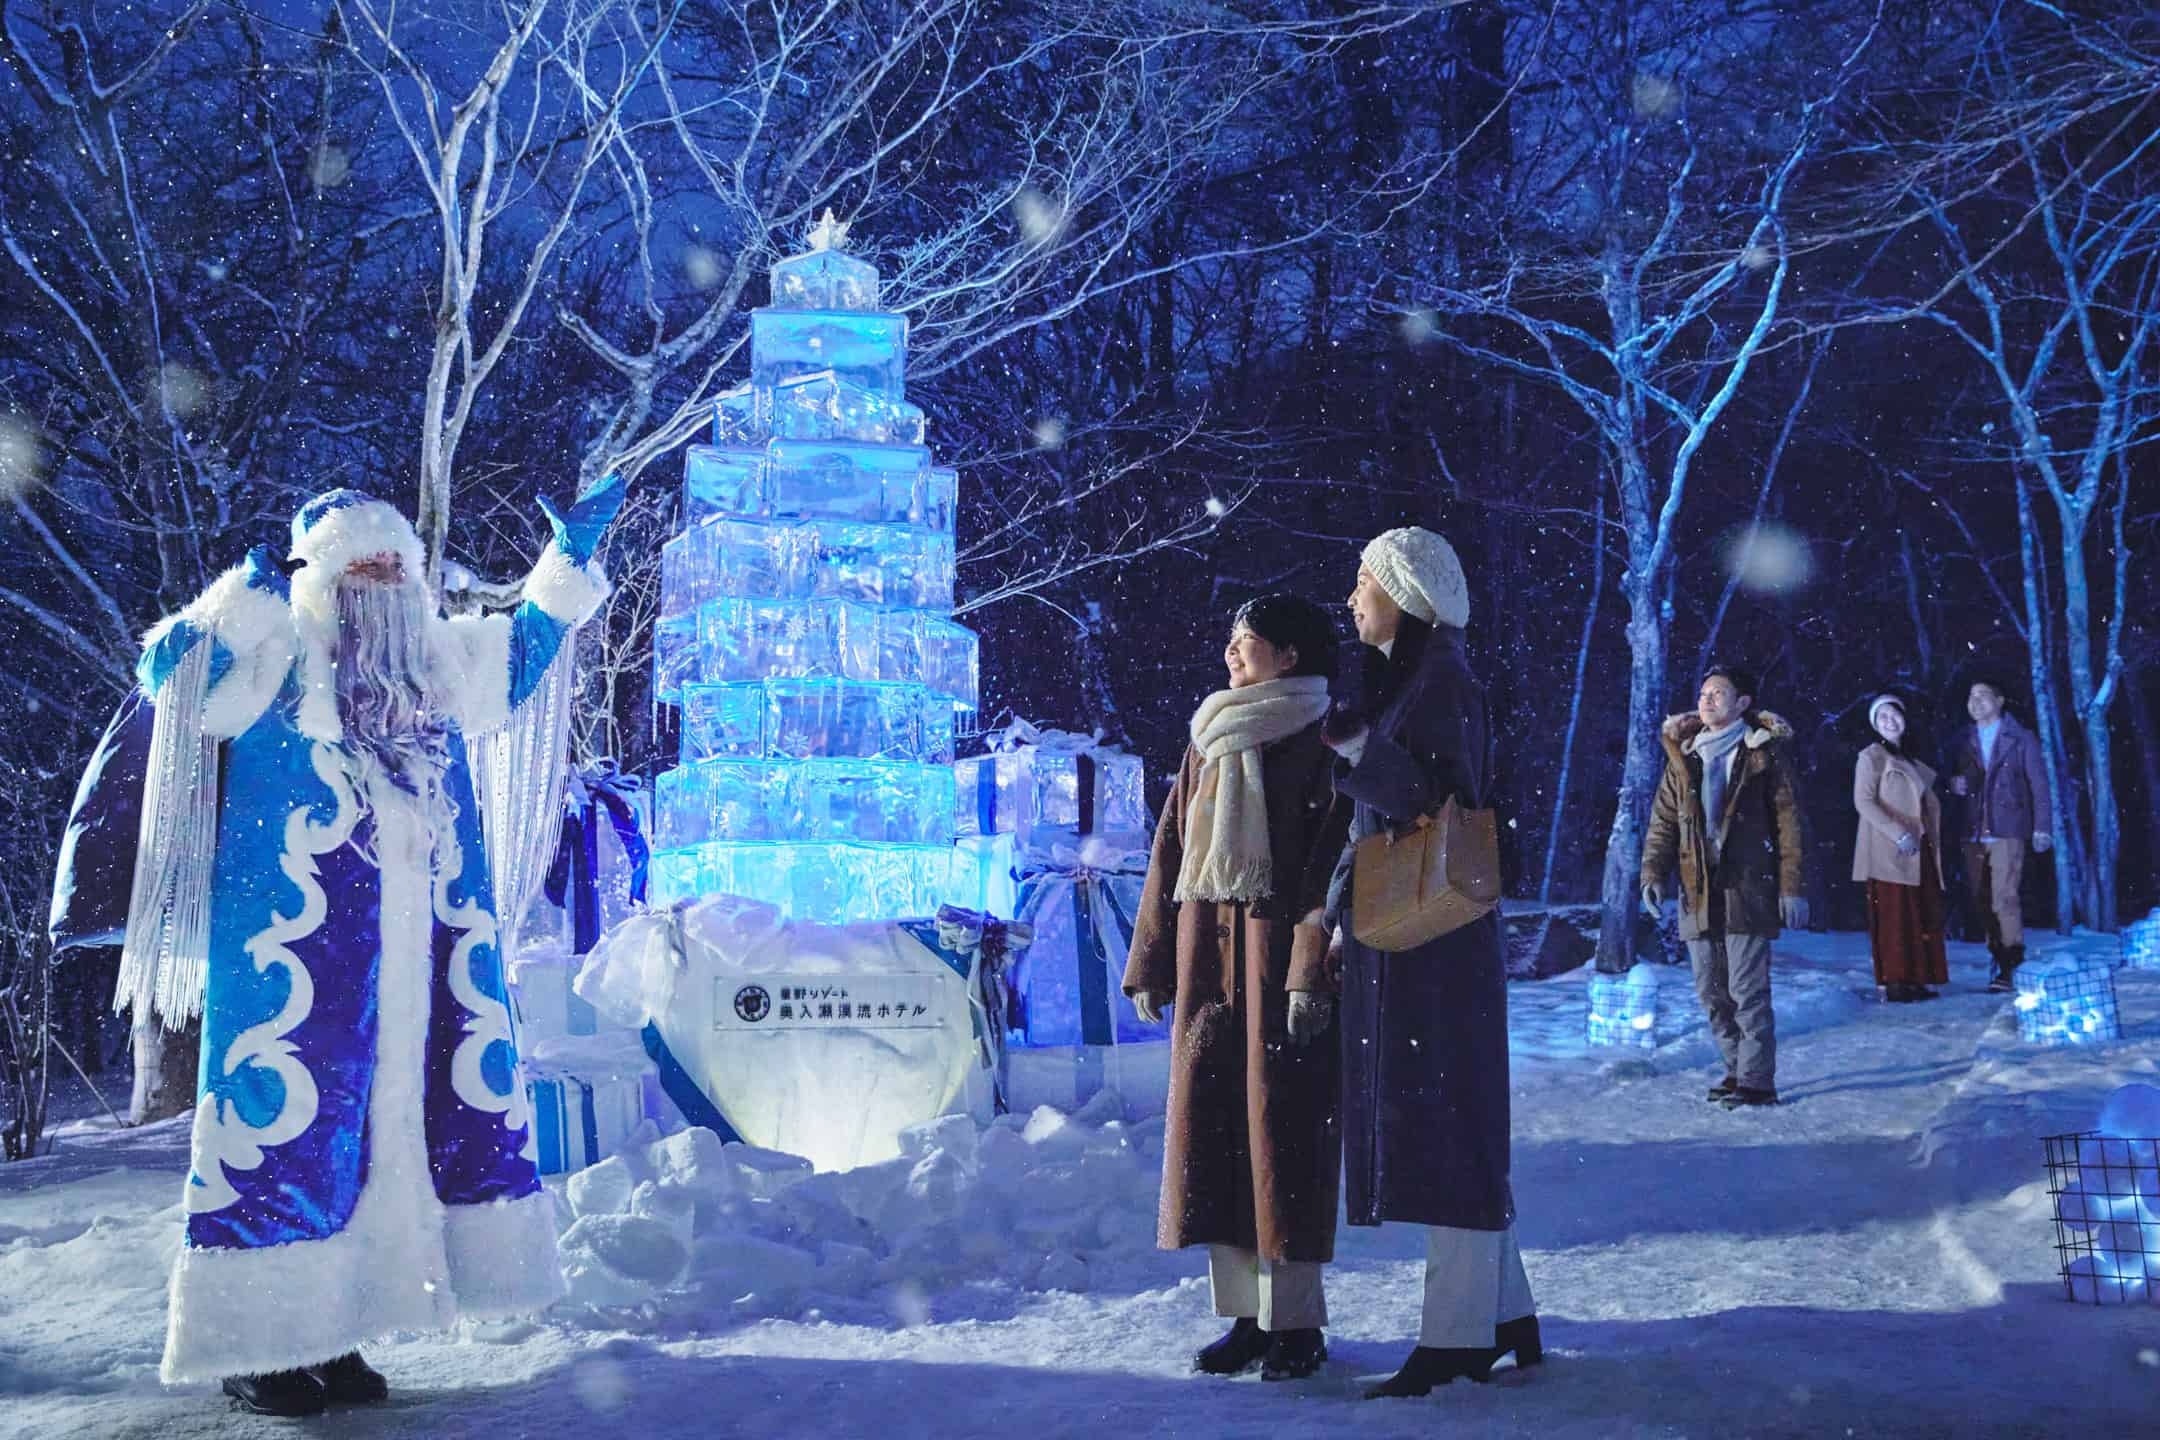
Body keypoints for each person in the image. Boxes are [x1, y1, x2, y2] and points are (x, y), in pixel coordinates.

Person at [59, 482, 620, 1415]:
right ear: (318, 578)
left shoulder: (434, 663)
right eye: (360, 567)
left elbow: (520, 654)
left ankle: (342, 1326)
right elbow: (170, 676)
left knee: (392, 1138)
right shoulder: (273, 656)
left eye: (395, 566)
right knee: (287, 1137)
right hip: (293, 956)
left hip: (423, 953)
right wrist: (237, 604)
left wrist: (565, 565)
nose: (381, 583)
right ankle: (260, 1345)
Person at [1317, 527, 1541, 1400]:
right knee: (1456, 1125)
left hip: (1437, 943)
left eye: (1364, 582)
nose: (1351, 600)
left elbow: (1444, 803)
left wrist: (1358, 754)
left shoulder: (1442, 679)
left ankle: (1456, 1340)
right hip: (1427, 941)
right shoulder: (1418, 678)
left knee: (1451, 1128)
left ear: (1406, 593)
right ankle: (1505, 1313)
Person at [1124, 594, 1349, 1384]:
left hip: (1275, 962)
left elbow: (1332, 867)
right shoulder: (1211, 737)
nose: (1230, 652)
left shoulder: (1326, 739)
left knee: (1283, 1140)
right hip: (1207, 968)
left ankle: (1297, 1324)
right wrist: (1151, 962)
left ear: (1290, 656)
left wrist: (1309, 969)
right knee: (1217, 1140)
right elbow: (1170, 850)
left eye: (1246, 641)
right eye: (1229, 639)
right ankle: (1246, 1318)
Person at [1640, 664, 1807, 1109]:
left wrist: (1791, 887)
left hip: (1747, 886)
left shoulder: (1762, 755)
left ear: (1742, 703)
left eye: (1718, 693)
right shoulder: (1684, 757)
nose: (1707, 699)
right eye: (1703, 693)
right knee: (1711, 992)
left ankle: (1757, 1081)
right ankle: (1736, 1070)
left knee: (1747, 990)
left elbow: (1789, 825)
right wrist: (1652, 874)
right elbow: (1663, 824)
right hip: (1697, 890)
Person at [1949, 681, 2053, 992]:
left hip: (2008, 829)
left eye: (1982, 695)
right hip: (1973, 832)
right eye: (1971, 695)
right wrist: (1954, 785)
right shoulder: (1962, 739)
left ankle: (2011, 964)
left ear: (2000, 699)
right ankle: (1999, 957)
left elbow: (2039, 784)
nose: (1975, 701)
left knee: (2004, 898)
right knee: (1982, 902)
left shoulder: (2021, 738)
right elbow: (1953, 779)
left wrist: (2043, 826)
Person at [1853, 695, 1949, 1001]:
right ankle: (1896, 982)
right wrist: (1898, 834)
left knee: (1918, 913)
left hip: (1918, 849)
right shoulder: (1871, 757)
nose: (1889, 721)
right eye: (1882, 717)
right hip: (1887, 850)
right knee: (1894, 916)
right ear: (1874, 725)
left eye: (1894, 714)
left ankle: (1918, 979)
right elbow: (1863, 801)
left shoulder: (1913, 760)